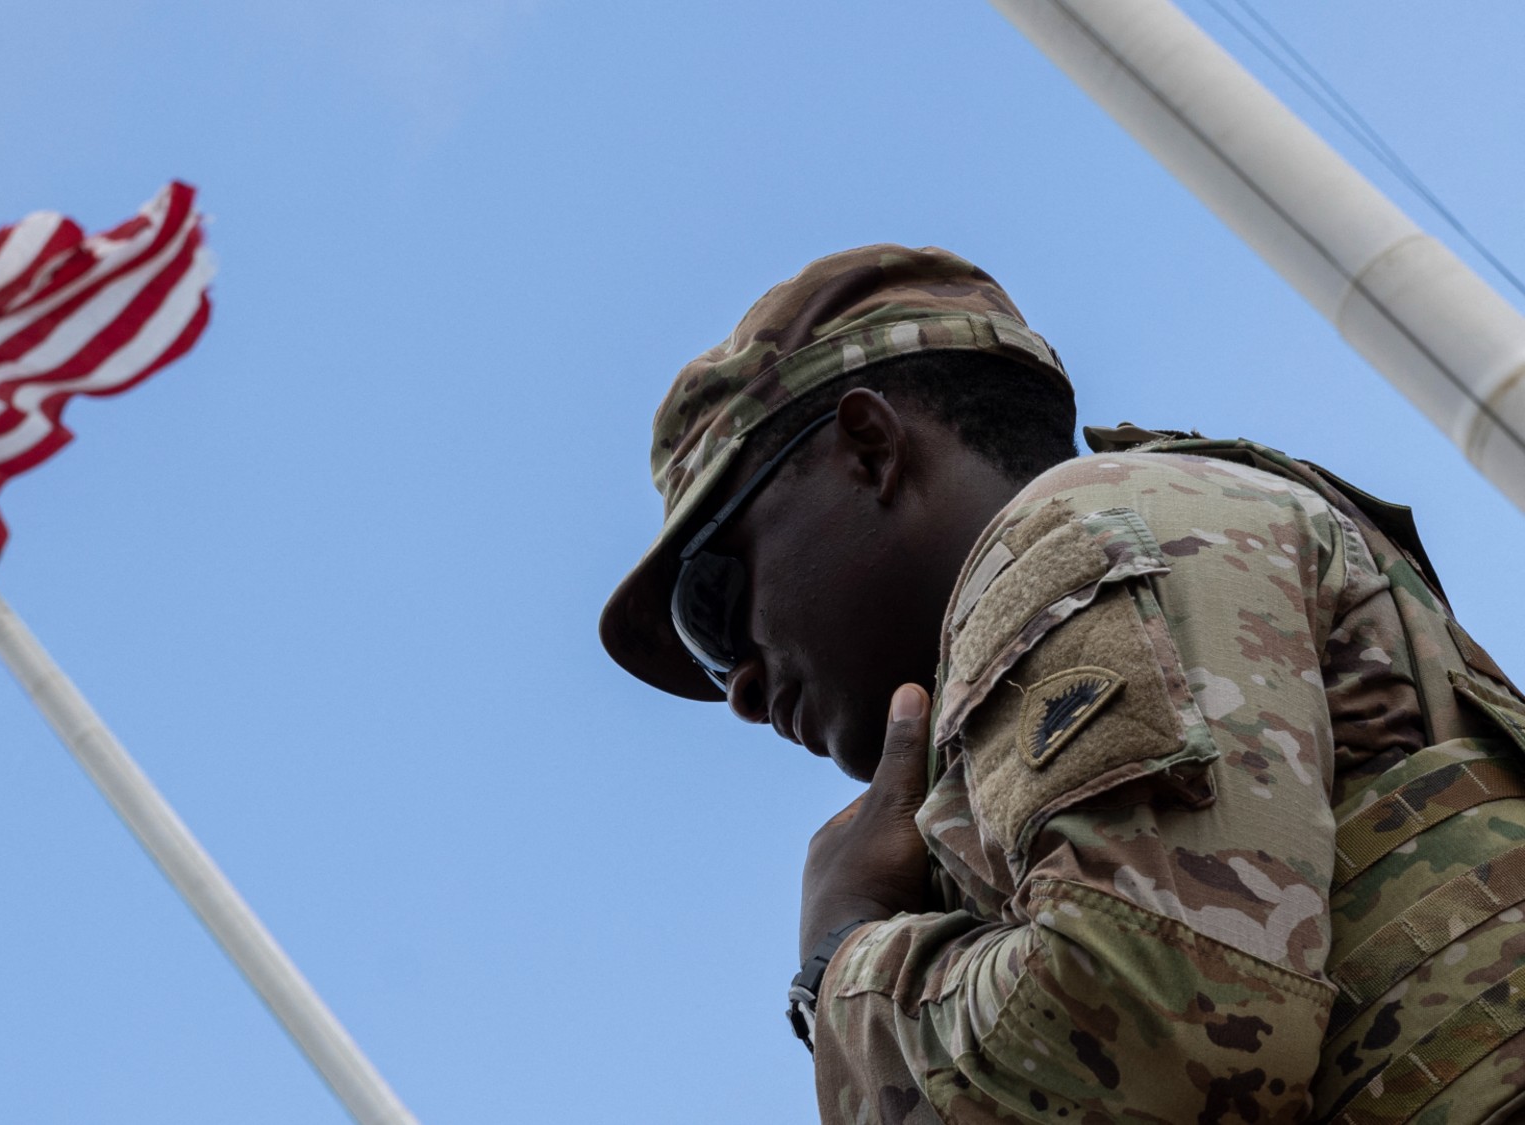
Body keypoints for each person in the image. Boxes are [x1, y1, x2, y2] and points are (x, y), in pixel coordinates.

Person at [597, 245, 1525, 1124]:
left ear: (870, 449)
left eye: (713, 603)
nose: (741, 691)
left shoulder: (1067, 542)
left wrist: (842, 957)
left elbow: (1157, 1029)